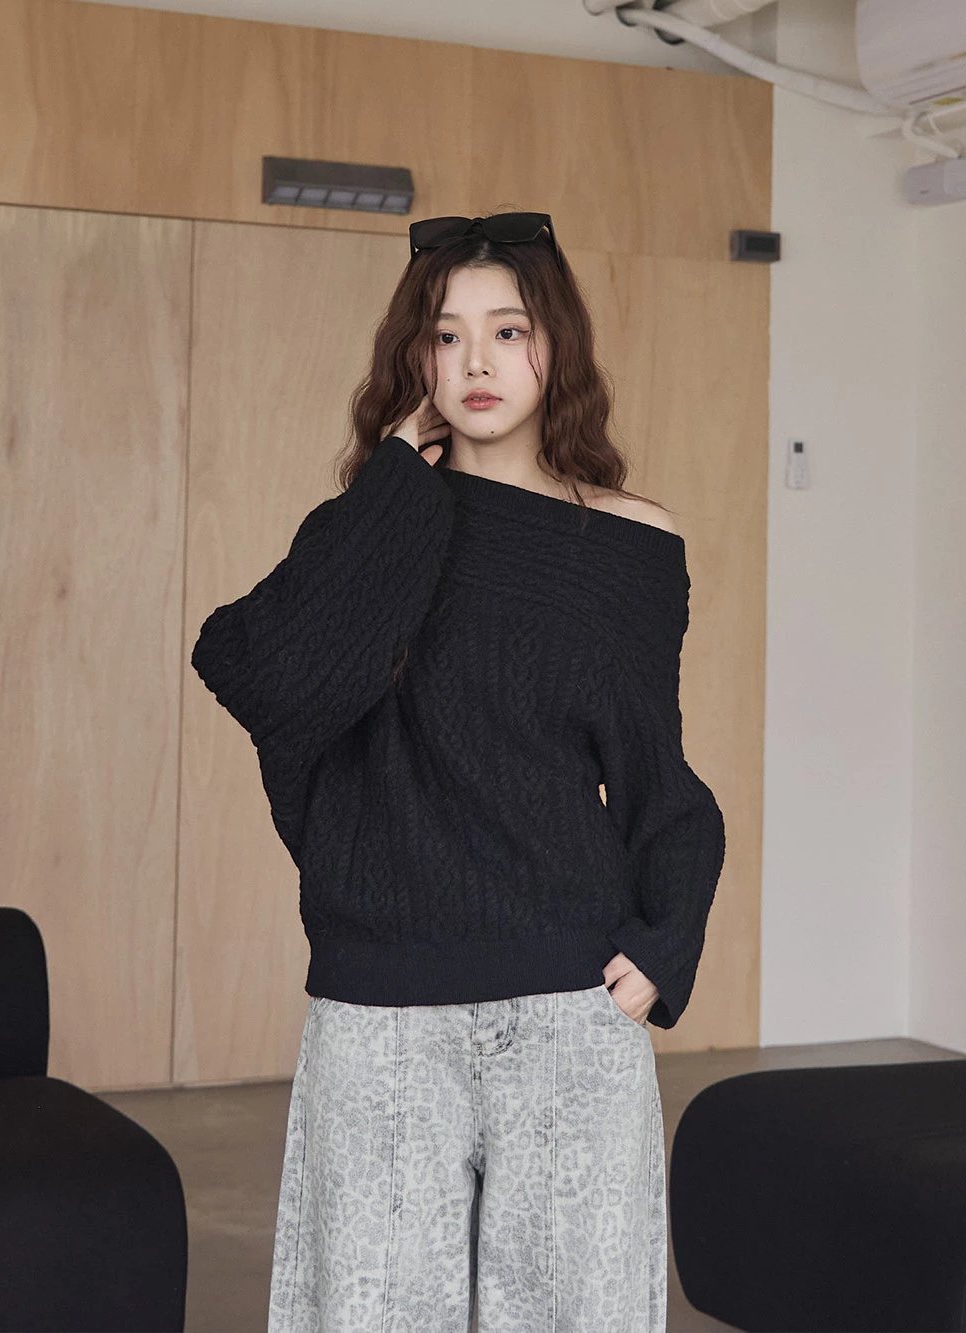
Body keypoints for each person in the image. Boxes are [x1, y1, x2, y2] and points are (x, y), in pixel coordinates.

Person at [191, 211, 726, 1333]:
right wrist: (394, 487)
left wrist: (662, 944)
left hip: (569, 1005)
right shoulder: (372, 524)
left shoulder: (629, 544)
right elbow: (262, 674)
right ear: (417, 359)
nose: (477, 360)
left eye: (508, 330)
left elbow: (657, 775)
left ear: (555, 346)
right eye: (447, 335)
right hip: (380, 1013)